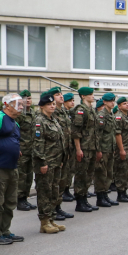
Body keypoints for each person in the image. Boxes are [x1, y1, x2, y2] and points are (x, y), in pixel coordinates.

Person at [0, 93, 25, 245]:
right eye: (18, 104)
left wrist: (17, 151)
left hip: (12, 167)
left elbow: (12, 140)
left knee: (10, 201)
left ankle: (5, 231)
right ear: (7, 105)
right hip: (0, 167)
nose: (22, 107)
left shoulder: (15, 122)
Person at [34, 88, 66, 234]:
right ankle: (44, 221)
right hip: (46, 163)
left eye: (53, 104)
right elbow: (37, 144)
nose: (52, 106)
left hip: (56, 162)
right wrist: (42, 163)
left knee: (54, 191)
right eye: (49, 104)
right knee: (44, 192)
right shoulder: (39, 121)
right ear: (42, 106)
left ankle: (51, 218)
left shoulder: (54, 120)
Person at [71, 87, 99, 212]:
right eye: (90, 94)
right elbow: (76, 131)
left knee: (88, 175)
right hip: (84, 147)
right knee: (81, 175)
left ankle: (84, 199)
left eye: (92, 94)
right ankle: (79, 201)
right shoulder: (81, 111)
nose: (92, 96)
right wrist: (78, 149)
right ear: (83, 96)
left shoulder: (91, 110)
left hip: (91, 147)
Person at [93, 92, 117, 207]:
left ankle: (105, 194)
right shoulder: (101, 115)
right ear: (105, 102)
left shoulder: (111, 114)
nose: (112, 103)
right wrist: (98, 151)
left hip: (110, 148)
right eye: (110, 101)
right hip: (103, 149)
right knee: (101, 174)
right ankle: (100, 197)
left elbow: (112, 134)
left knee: (108, 173)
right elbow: (98, 135)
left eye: (113, 101)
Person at [15, 90, 37, 212]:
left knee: (29, 175)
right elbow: (14, 132)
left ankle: (25, 198)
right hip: (22, 149)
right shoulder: (19, 115)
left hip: (31, 149)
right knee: (21, 176)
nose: (28, 100)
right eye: (25, 98)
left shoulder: (33, 113)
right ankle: (20, 199)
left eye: (29, 98)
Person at [55, 93, 75, 221]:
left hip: (66, 151)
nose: (61, 96)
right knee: (55, 183)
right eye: (57, 94)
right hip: (55, 153)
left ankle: (58, 207)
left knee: (62, 180)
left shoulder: (63, 112)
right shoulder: (52, 113)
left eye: (61, 94)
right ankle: (51, 210)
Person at [113, 97, 128, 202]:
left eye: (127, 103)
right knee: (121, 171)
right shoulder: (119, 117)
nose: (127, 105)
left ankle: (125, 191)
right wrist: (121, 149)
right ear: (119, 106)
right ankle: (120, 193)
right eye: (124, 103)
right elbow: (118, 134)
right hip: (123, 148)